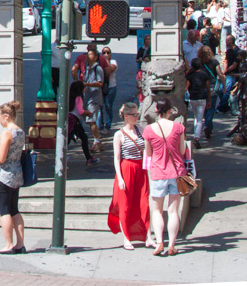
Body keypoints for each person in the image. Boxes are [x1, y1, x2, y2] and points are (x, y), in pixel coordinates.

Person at [143, 98, 190, 256]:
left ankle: (159, 243)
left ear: (156, 110)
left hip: (158, 173)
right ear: (170, 111)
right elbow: (183, 150)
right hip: (177, 173)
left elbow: (148, 153)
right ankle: (172, 245)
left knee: (156, 210)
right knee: (173, 210)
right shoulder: (178, 127)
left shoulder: (149, 130)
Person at [0, 100, 26, 255]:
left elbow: (1, 159)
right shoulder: (20, 132)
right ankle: (20, 244)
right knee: (15, 209)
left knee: (4, 211)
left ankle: (8, 244)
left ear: (6, 116)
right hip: (17, 174)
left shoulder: (7, 132)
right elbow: (13, 152)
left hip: (3, 176)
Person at [108, 102, 151, 250]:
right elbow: (117, 158)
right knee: (125, 205)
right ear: (126, 116)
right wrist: (120, 178)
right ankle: (127, 237)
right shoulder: (119, 134)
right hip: (127, 169)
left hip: (141, 168)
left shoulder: (141, 129)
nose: (137, 117)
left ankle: (148, 236)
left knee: (144, 203)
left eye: (137, 114)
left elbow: (147, 148)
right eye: (134, 114)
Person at [68, 82, 100, 166]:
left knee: (69, 140)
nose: (84, 89)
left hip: (69, 120)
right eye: (83, 88)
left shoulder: (68, 96)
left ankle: (88, 158)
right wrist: (88, 113)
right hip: (75, 121)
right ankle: (88, 158)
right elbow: (80, 111)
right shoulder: (78, 98)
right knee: (83, 138)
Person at [198, 46, 225, 139]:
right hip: (212, 87)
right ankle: (207, 124)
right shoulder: (214, 62)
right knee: (211, 107)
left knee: (204, 107)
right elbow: (220, 74)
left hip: (201, 88)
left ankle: (208, 124)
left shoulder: (198, 62)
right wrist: (224, 86)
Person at [81, 48, 105, 150]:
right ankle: (97, 141)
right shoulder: (87, 68)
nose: (88, 56)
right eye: (87, 54)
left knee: (91, 120)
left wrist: (88, 84)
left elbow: (100, 83)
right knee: (89, 120)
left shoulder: (98, 68)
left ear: (95, 57)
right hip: (88, 97)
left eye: (90, 54)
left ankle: (97, 142)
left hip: (95, 98)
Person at [185, 57, 212, 148]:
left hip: (192, 98)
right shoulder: (204, 75)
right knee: (200, 119)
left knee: (196, 117)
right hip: (202, 98)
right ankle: (197, 137)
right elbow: (207, 88)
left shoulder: (190, 75)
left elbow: (186, 87)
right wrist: (209, 100)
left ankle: (196, 134)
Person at [101, 47, 119, 131]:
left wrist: (106, 60)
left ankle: (107, 126)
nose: (106, 54)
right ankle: (100, 127)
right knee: (99, 108)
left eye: (108, 52)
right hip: (100, 87)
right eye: (104, 53)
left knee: (108, 106)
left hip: (110, 87)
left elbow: (109, 71)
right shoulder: (99, 62)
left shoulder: (113, 62)